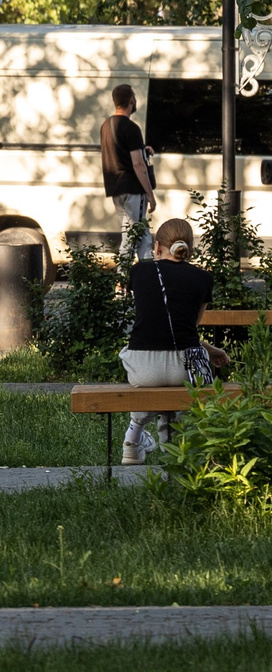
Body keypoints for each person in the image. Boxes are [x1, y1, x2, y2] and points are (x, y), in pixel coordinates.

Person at [120, 215, 226, 465]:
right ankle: (174, 453)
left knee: (152, 379)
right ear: (189, 249)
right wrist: (209, 349)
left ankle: (133, 437)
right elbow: (187, 327)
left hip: (143, 369)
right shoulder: (203, 278)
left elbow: (157, 323)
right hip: (185, 370)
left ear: (157, 246)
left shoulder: (139, 271)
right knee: (181, 388)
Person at [101, 83, 156, 263]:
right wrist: (150, 194)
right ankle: (122, 280)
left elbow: (120, 151)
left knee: (140, 233)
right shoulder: (132, 128)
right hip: (133, 188)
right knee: (132, 235)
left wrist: (142, 148)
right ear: (131, 99)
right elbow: (138, 164)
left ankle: (147, 272)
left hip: (115, 188)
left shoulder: (106, 126)